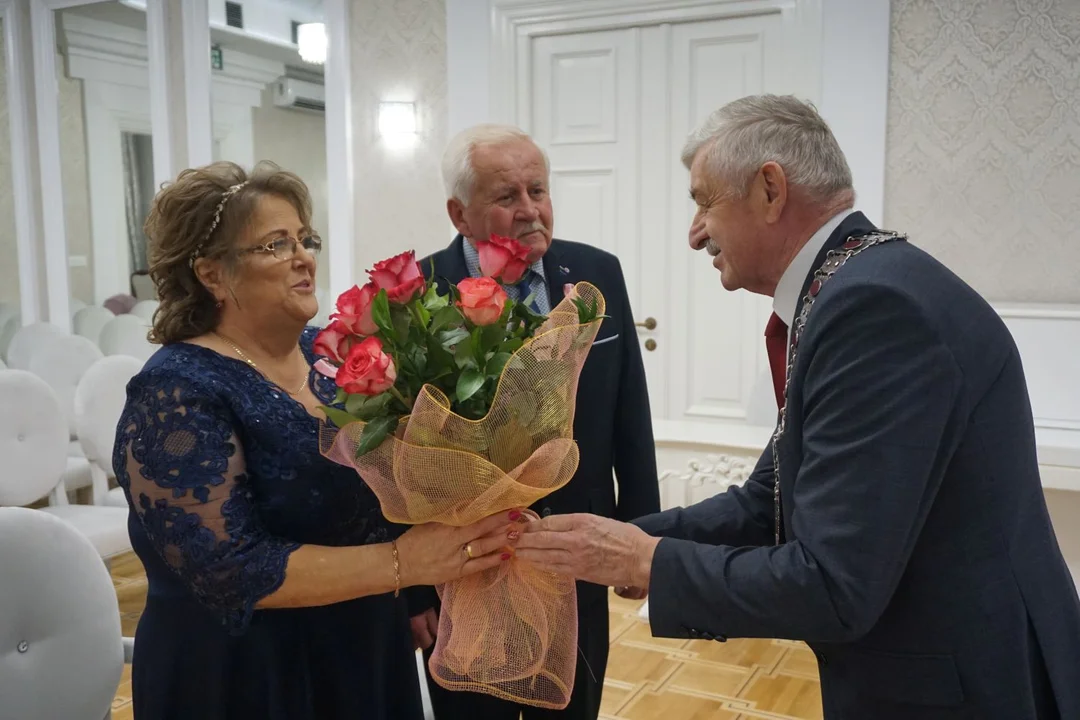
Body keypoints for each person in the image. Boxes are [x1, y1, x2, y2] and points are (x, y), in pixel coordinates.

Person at [514, 95, 1080, 719]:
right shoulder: (853, 284)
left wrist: (645, 561)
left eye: (704, 202)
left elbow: (835, 584)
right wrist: (624, 539)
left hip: (963, 682)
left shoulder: (874, 311)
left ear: (770, 190)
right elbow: (769, 498)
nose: (695, 233)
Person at [113, 160, 520, 720]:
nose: (304, 256)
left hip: (360, 647)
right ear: (212, 274)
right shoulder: (175, 391)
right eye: (276, 244)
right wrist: (403, 563)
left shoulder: (324, 353)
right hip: (248, 675)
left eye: (305, 239)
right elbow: (231, 569)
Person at [406, 125, 661, 719]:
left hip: (578, 547)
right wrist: (414, 590)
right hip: (465, 564)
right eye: (506, 196)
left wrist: (642, 535)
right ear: (459, 214)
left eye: (538, 191)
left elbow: (630, 410)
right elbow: (407, 450)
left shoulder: (597, 272)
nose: (530, 210)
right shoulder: (419, 290)